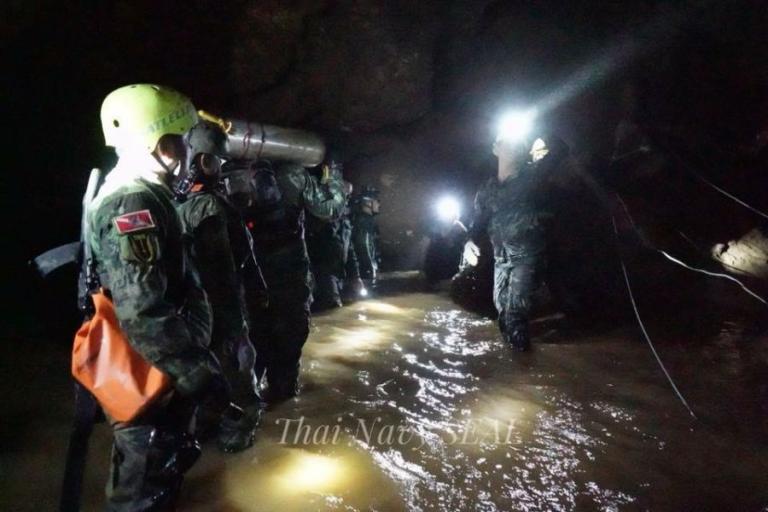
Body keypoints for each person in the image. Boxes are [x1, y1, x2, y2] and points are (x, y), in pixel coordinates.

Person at [90, 84, 231, 510]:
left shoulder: (146, 192)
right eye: (185, 138)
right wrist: (200, 375)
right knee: (142, 492)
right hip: (150, 374)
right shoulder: (133, 202)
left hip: (159, 368)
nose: (190, 149)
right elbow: (142, 309)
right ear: (162, 145)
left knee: (159, 475)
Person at [175, 152, 266, 452]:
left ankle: (209, 426)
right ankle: (239, 427)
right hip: (219, 304)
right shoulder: (209, 206)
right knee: (237, 365)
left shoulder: (178, 204)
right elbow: (222, 267)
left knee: (210, 367)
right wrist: (234, 317)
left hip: (194, 309)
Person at [238, 157, 346, 401]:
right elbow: (331, 209)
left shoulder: (231, 177)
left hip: (251, 286)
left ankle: (252, 405)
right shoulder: (295, 176)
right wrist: (335, 177)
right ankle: (282, 403)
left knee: (252, 353)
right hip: (289, 281)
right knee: (287, 352)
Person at [465, 134, 553, 351]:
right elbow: (479, 220)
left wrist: (543, 139)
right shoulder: (487, 189)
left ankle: (523, 364)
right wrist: (469, 241)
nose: (512, 146)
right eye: (507, 141)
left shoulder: (531, 176)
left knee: (515, 314)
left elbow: (558, 151)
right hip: (501, 259)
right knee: (502, 312)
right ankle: (518, 361)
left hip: (527, 256)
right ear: (495, 148)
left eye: (517, 144)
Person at [351, 185, 381, 288]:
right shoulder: (364, 221)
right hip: (363, 270)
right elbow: (364, 246)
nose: (379, 204)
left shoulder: (365, 220)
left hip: (363, 269)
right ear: (368, 203)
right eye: (377, 201)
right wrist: (370, 267)